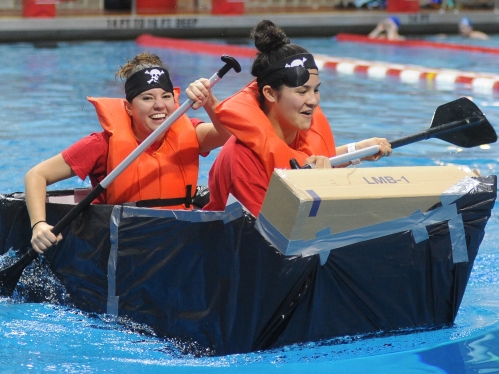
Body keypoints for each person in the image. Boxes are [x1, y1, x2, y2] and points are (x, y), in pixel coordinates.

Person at [26, 52, 231, 254]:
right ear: (129, 108)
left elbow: (228, 134)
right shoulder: (100, 145)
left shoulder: (192, 134)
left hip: (176, 245)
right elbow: (37, 175)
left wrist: (210, 101)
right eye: (147, 98)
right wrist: (39, 225)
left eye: (166, 96)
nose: (159, 105)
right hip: (123, 248)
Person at [204, 20, 392, 217]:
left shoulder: (295, 131)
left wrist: (356, 152)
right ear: (270, 94)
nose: (313, 101)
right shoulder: (241, 161)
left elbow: (306, 159)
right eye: (302, 92)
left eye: (316, 90)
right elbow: (271, 238)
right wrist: (322, 188)